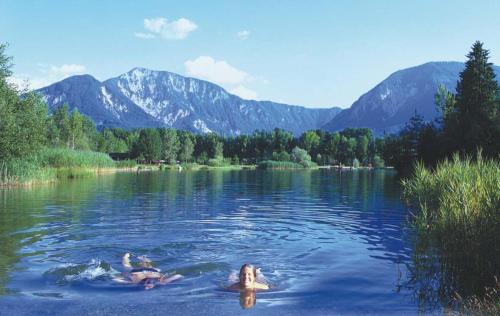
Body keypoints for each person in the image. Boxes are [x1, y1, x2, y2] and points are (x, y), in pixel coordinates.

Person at [112, 253, 182, 290]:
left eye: (147, 286)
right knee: (127, 266)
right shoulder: (161, 281)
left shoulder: (160, 280)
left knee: (127, 266)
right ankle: (126, 257)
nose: (146, 288)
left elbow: (178, 275)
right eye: (148, 286)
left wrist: (130, 282)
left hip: (150, 272)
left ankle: (127, 257)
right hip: (144, 272)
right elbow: (178, 275)